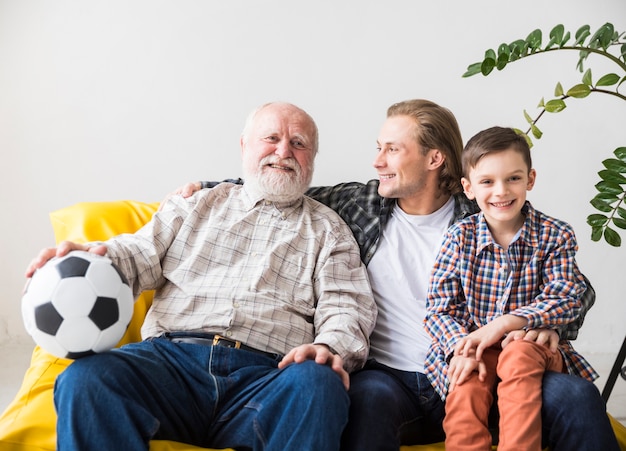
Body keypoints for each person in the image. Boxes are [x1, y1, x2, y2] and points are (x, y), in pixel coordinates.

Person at [170, 99, 619, 450]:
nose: (377, 161)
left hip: (480, 370)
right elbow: (282, 183)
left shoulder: (485, 208)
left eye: (392, 149)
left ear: (434, 159)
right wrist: (209, 187)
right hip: (391, 377)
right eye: (378, 147)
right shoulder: (360, 205)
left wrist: (547, 325)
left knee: (576, 400)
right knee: (366, 403)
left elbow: (576, 290)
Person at [26, 102, 377, 451]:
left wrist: (328, 347)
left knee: (319, 383)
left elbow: (346, 305)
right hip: (169, 364)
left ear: (312, 157)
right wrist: (91, 258)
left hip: (267, 379)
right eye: (271, 138)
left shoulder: (330, 229)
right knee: (85, 379)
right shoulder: (195, 204)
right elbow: (136, 254)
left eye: (299, 143)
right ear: (244, 146)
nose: (283, 151)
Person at [424, 126, 598, 450]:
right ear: (469, 188)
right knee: (466, 378)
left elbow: (568, 295)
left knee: (517, 355)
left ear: (530, 179)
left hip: (532, 341)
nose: (501, 191)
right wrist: (461, 347)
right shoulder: (458, 237)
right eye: (487, 181)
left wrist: (507, 323)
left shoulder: (555, 235)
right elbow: (439, 309)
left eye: (513, 178)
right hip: (475, 345)